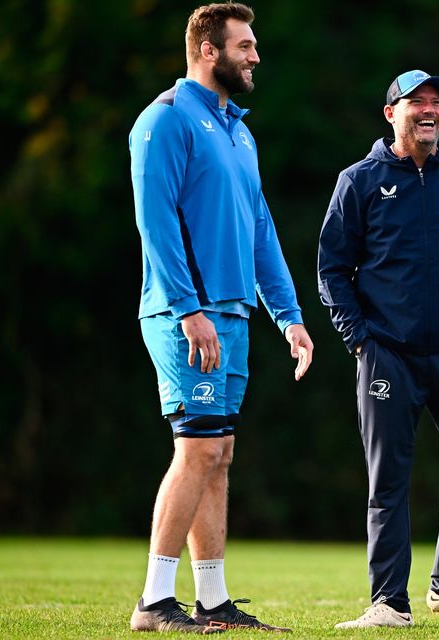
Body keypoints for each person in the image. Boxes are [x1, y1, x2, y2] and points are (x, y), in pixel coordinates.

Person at [127, 3, 313, 634]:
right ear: (209, 50)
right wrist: (189, 310)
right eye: (245, 45)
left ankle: (211, 602)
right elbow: (155, 225)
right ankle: (154, 602)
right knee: (198, 446)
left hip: (230, 317)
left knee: (219, 452)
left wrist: (288, 316)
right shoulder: (165, 120)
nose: (255, 55)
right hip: (188, 315)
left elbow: (261, 232)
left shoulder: (239, 130)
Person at [318, 70, 439, 629]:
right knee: (389, 482)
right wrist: (359, 339)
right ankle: (388, 603)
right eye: (416, 102)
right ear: (391, 114)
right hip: (388, 355)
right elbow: (332, 269)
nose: (429, 110)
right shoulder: (358, 181)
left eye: (436, 103)